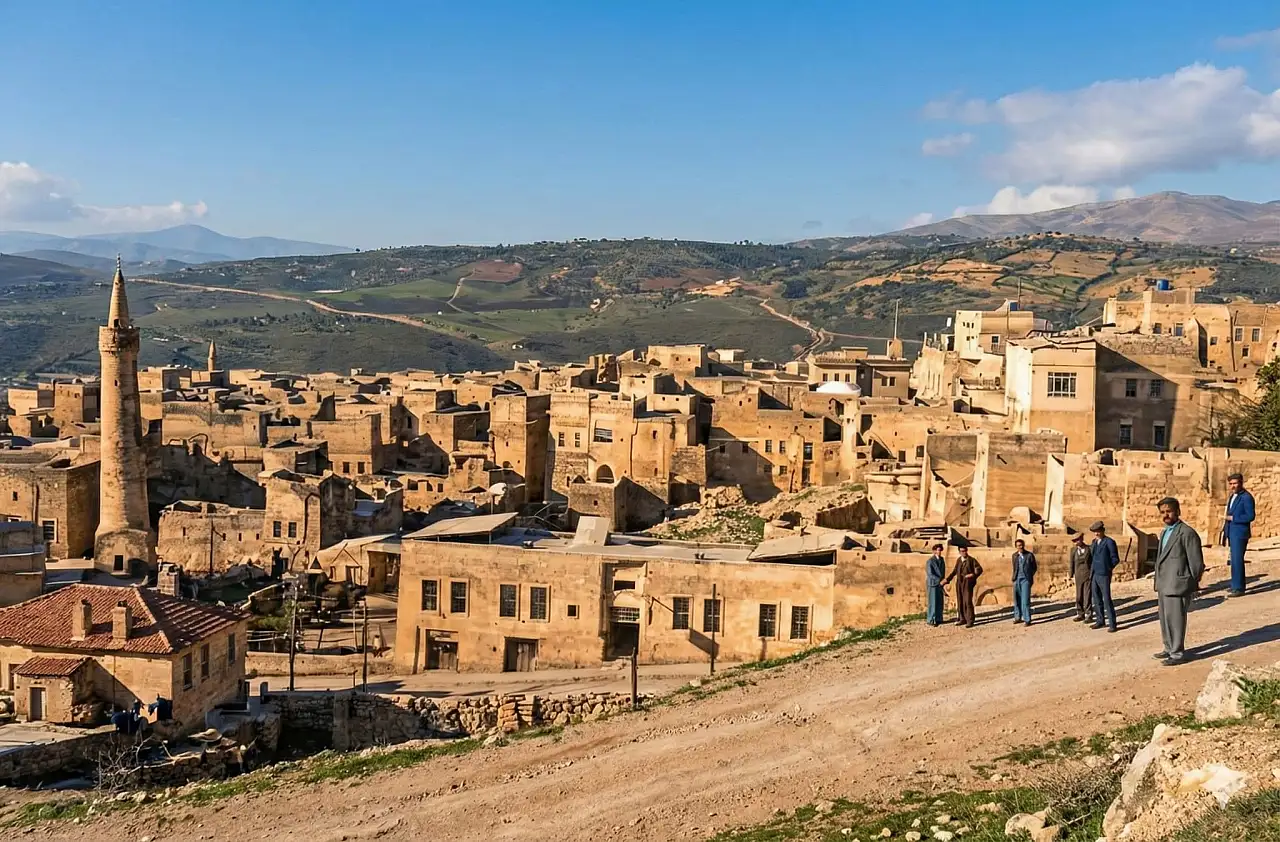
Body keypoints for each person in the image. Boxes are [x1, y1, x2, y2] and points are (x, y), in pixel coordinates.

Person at [1154, 496, 1205, 666]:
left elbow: (1196, 562)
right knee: (1165, 619)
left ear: (1177, 512)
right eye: (1162, 512)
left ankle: (1177, 653)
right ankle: (1168, 648)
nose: (1166, 515)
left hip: (1178, 584)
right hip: (1164, 583)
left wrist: (1191, 583)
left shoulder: (1187, 533)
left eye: (1169, 511)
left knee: (1176, 620)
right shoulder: (1164, 532)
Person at [1221, 473, 1255, 597]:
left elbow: (1250, 516)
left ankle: (1239, 588)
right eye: (1231, 484)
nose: (1233, 486)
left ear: (1241, 482)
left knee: (1237, 560)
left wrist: (1233, 518)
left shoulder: (1246, 497)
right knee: (1233, 560)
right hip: (1232, 532)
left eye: (1235, 483)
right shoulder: (1232, 496)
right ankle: (1235, 585)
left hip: (1240, 533)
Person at [1089, 520, 1119, 633]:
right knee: (1096, 599)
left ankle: (1112, 624)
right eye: (1095, 532)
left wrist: (1108, 568)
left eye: (1098, 531)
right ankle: (1100, 620)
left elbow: (1115, 559)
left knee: (1106, 599)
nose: (1096, 534)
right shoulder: (1094, 542)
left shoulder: (1109, 542)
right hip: (1095, 574)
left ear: (1103, 531)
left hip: (1104, 574)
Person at [943, 545, 983, 628]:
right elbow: (954, 571)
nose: (963, 552)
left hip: (968, 583)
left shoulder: (971, 560)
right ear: (959, 552)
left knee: (967, 601)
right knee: (960, 601)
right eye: (961, 551)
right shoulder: (959, 560)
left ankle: (970, 620)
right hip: (959, 583)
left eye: (964, 551)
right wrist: (947, 580)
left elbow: (979, 569)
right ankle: (962, 619)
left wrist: (973, 575)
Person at [1011, 538, 1037, 626]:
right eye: (1018, 546)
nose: (1020, 547)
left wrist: (1029, 576)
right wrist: (1014, 578)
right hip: (1016, 579)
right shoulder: (1014, 556)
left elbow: (1034, 567)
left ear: (1024, 545)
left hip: (1026, 580)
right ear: (1016, 547)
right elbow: (1014, 568)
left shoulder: (1029, 555)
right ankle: (1018, 617)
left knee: (1025, 600)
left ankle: (1027, 619)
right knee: (1016, 599)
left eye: (1021, 545)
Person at [1069, 532, 1094, 623]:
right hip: (1078, 575)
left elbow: (1092, 563)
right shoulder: (1073, 550)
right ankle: (1080, 613)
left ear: (1082, 539)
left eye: (1077, 540)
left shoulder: (1089, 549)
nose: (1076, 542)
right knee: (1079, 596)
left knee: (1087, 595)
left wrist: (1092, 573)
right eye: (1074, 541)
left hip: (1087, 575)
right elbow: (1071, 563)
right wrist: (1070, 575)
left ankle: (1089, 614)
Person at [925, 543, 947, 627]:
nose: (939, 552)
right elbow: (930, 574)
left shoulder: (942, 560)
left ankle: (938, 618)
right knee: (933, 602)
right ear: (934, 551)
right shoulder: (930, 561)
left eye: (940, 550)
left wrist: (943, 581)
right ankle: (931, 619)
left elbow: (943, 571)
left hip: (940, 584)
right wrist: (940, 580)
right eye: (938, 550)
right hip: (933, 584)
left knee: (939, 602)